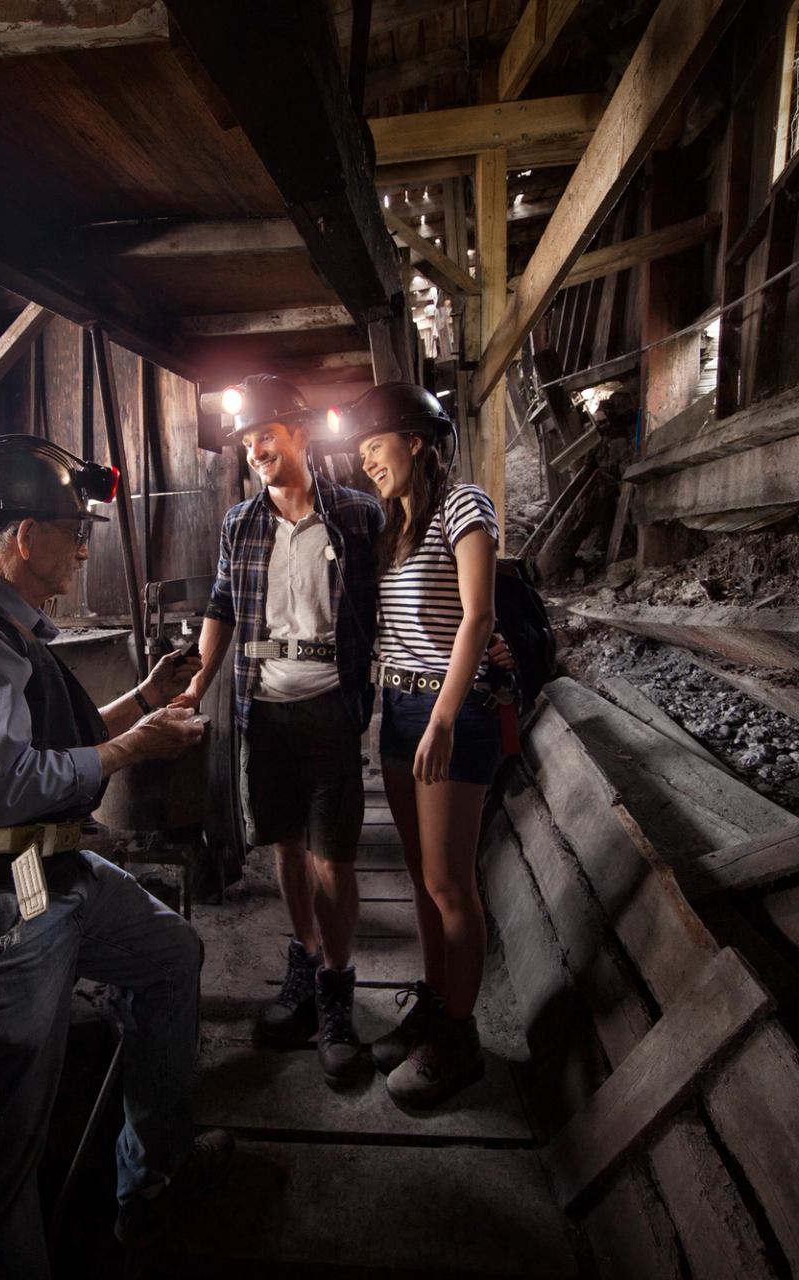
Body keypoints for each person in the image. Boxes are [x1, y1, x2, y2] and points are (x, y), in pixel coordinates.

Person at [0, 434, 232, 1277]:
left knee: (169, 955)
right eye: (76, 527)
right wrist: (134, 749)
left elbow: (53, 742)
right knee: (4, 1125)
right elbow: (4, 785)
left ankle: (151, 1181)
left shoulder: (7, 623)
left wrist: (144, 701)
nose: (84, 544)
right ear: (24, 537)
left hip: (37, 872)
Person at [171, 374, 382, 1083]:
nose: (255, 448)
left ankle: (338, 996)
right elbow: (223, 606)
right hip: (264, 708)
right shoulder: (241, 522)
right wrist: (197, 683)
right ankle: (304, 964)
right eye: (247, 439)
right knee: (286, 848)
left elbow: (397, 592)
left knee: (335, 859)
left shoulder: (357, 514)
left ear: (299, 433)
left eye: (266, 434)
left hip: (329, 707)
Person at [337, 383, 508, 1109]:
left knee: (448, 883)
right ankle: (436, 1005)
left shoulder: (464, 505)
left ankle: (461, 1038)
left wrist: (442, 716)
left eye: (374, 445)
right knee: (418, 875)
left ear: (413, 439)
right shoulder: (393, 524)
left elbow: (478, 617)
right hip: (399, 707)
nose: (365, 460)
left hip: (450, 709)